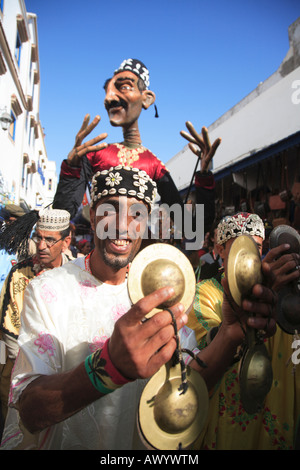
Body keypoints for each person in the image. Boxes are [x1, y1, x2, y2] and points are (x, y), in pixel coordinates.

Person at [0, 168, 276, 450]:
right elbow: (29, 410)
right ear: (93, 217)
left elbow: (187, 385)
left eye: (136, 214)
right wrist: (110, 367)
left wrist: (230, 333)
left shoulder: (163, 290)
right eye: (110, 211)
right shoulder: (49, 290)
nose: (121, 225)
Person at [52, 58, 220, 239]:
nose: (109, 98)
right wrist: (72, 167)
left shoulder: (153, 164)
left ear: (146, 98)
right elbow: (61, 216)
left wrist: (204, 174)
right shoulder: (95, 155)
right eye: (107, 90)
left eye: (123, 87)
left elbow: (191, 229)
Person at [187, 212, 300, 450]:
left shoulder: (281, 294)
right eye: (239, 247)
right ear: (219, 251)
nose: (248, 257)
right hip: (227, 425)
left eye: (256, 247)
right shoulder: (204, 294)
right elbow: (205, 355)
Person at [0, 208, 72, 434]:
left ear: (66, 241)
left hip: (66, 375)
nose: (41, 246)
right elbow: (12, 335)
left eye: (49, 240)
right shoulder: (20, 274)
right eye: (37, 237)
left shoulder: (77, 275)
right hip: (19, 373)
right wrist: (33, 379)